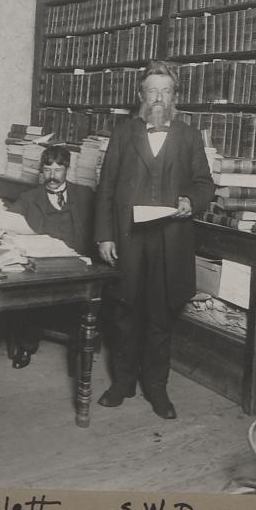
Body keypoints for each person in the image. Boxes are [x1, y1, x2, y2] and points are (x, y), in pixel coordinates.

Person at [94, 61, 215, 418]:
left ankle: (157, 388)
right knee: (125, 312)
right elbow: (106, 189)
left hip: (170, 239)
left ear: (174, 97)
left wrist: (189, 202)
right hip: (129, 238)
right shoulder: (123, 133)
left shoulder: (189, 136)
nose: (159, 98)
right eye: (152, 91)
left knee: (161, 316)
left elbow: (204, 184)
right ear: (141, 96)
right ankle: (122, 382)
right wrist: (103, 235)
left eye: (165, 91)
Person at [3, 144, 95, 368]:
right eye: (47, 170)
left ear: (67, 170)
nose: (52, 176)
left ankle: (77, 349)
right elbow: (9, 224)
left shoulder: (84, 194)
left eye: (58, 170)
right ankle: (27, 345)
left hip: (78, 264)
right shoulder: (29, 198)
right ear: (41, 171)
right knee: (32, 298)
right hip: (43, 265)